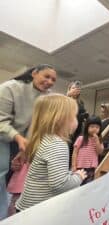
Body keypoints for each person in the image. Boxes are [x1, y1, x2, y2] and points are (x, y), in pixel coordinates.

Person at [0, 64, 57, 219]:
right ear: (34, 73)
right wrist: (18, 138)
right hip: (3, 136)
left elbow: (35, 125)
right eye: (47, 76)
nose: (50, 81)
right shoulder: (9, 88)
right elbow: (1, 121)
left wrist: (24, 149)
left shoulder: (46, 96)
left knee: (11, 178)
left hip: (21, 141)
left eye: (53, 80)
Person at [15, 94, 87, 211]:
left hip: (27, 207)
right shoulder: (57, 144)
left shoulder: (45, 138)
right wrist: (78, 177)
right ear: (60, 119)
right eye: (74, 116)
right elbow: (60, 185)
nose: (76, 120)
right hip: (38, 211)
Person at [72, 115, 104, 185]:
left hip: (91, 168)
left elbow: (99, 152)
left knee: (88, 185)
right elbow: (75, 152)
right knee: (78, 184)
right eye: (92, 127)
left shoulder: (99, 140)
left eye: (97, 127)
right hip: (80, 167)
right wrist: (73, 166)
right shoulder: (81, 138)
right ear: (87, 127)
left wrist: (97, 141)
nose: (94, 129)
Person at [67, 81, 88, 167]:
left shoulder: (81, 102)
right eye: (73, 88)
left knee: (75, 148)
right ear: (69, 89)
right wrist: (68, 95)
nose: (76, 90)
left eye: (78, 88)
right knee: (66, 147)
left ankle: (72, 167)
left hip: (78, 128)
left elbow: (82, 112)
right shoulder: (66, 99)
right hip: (68, 128)